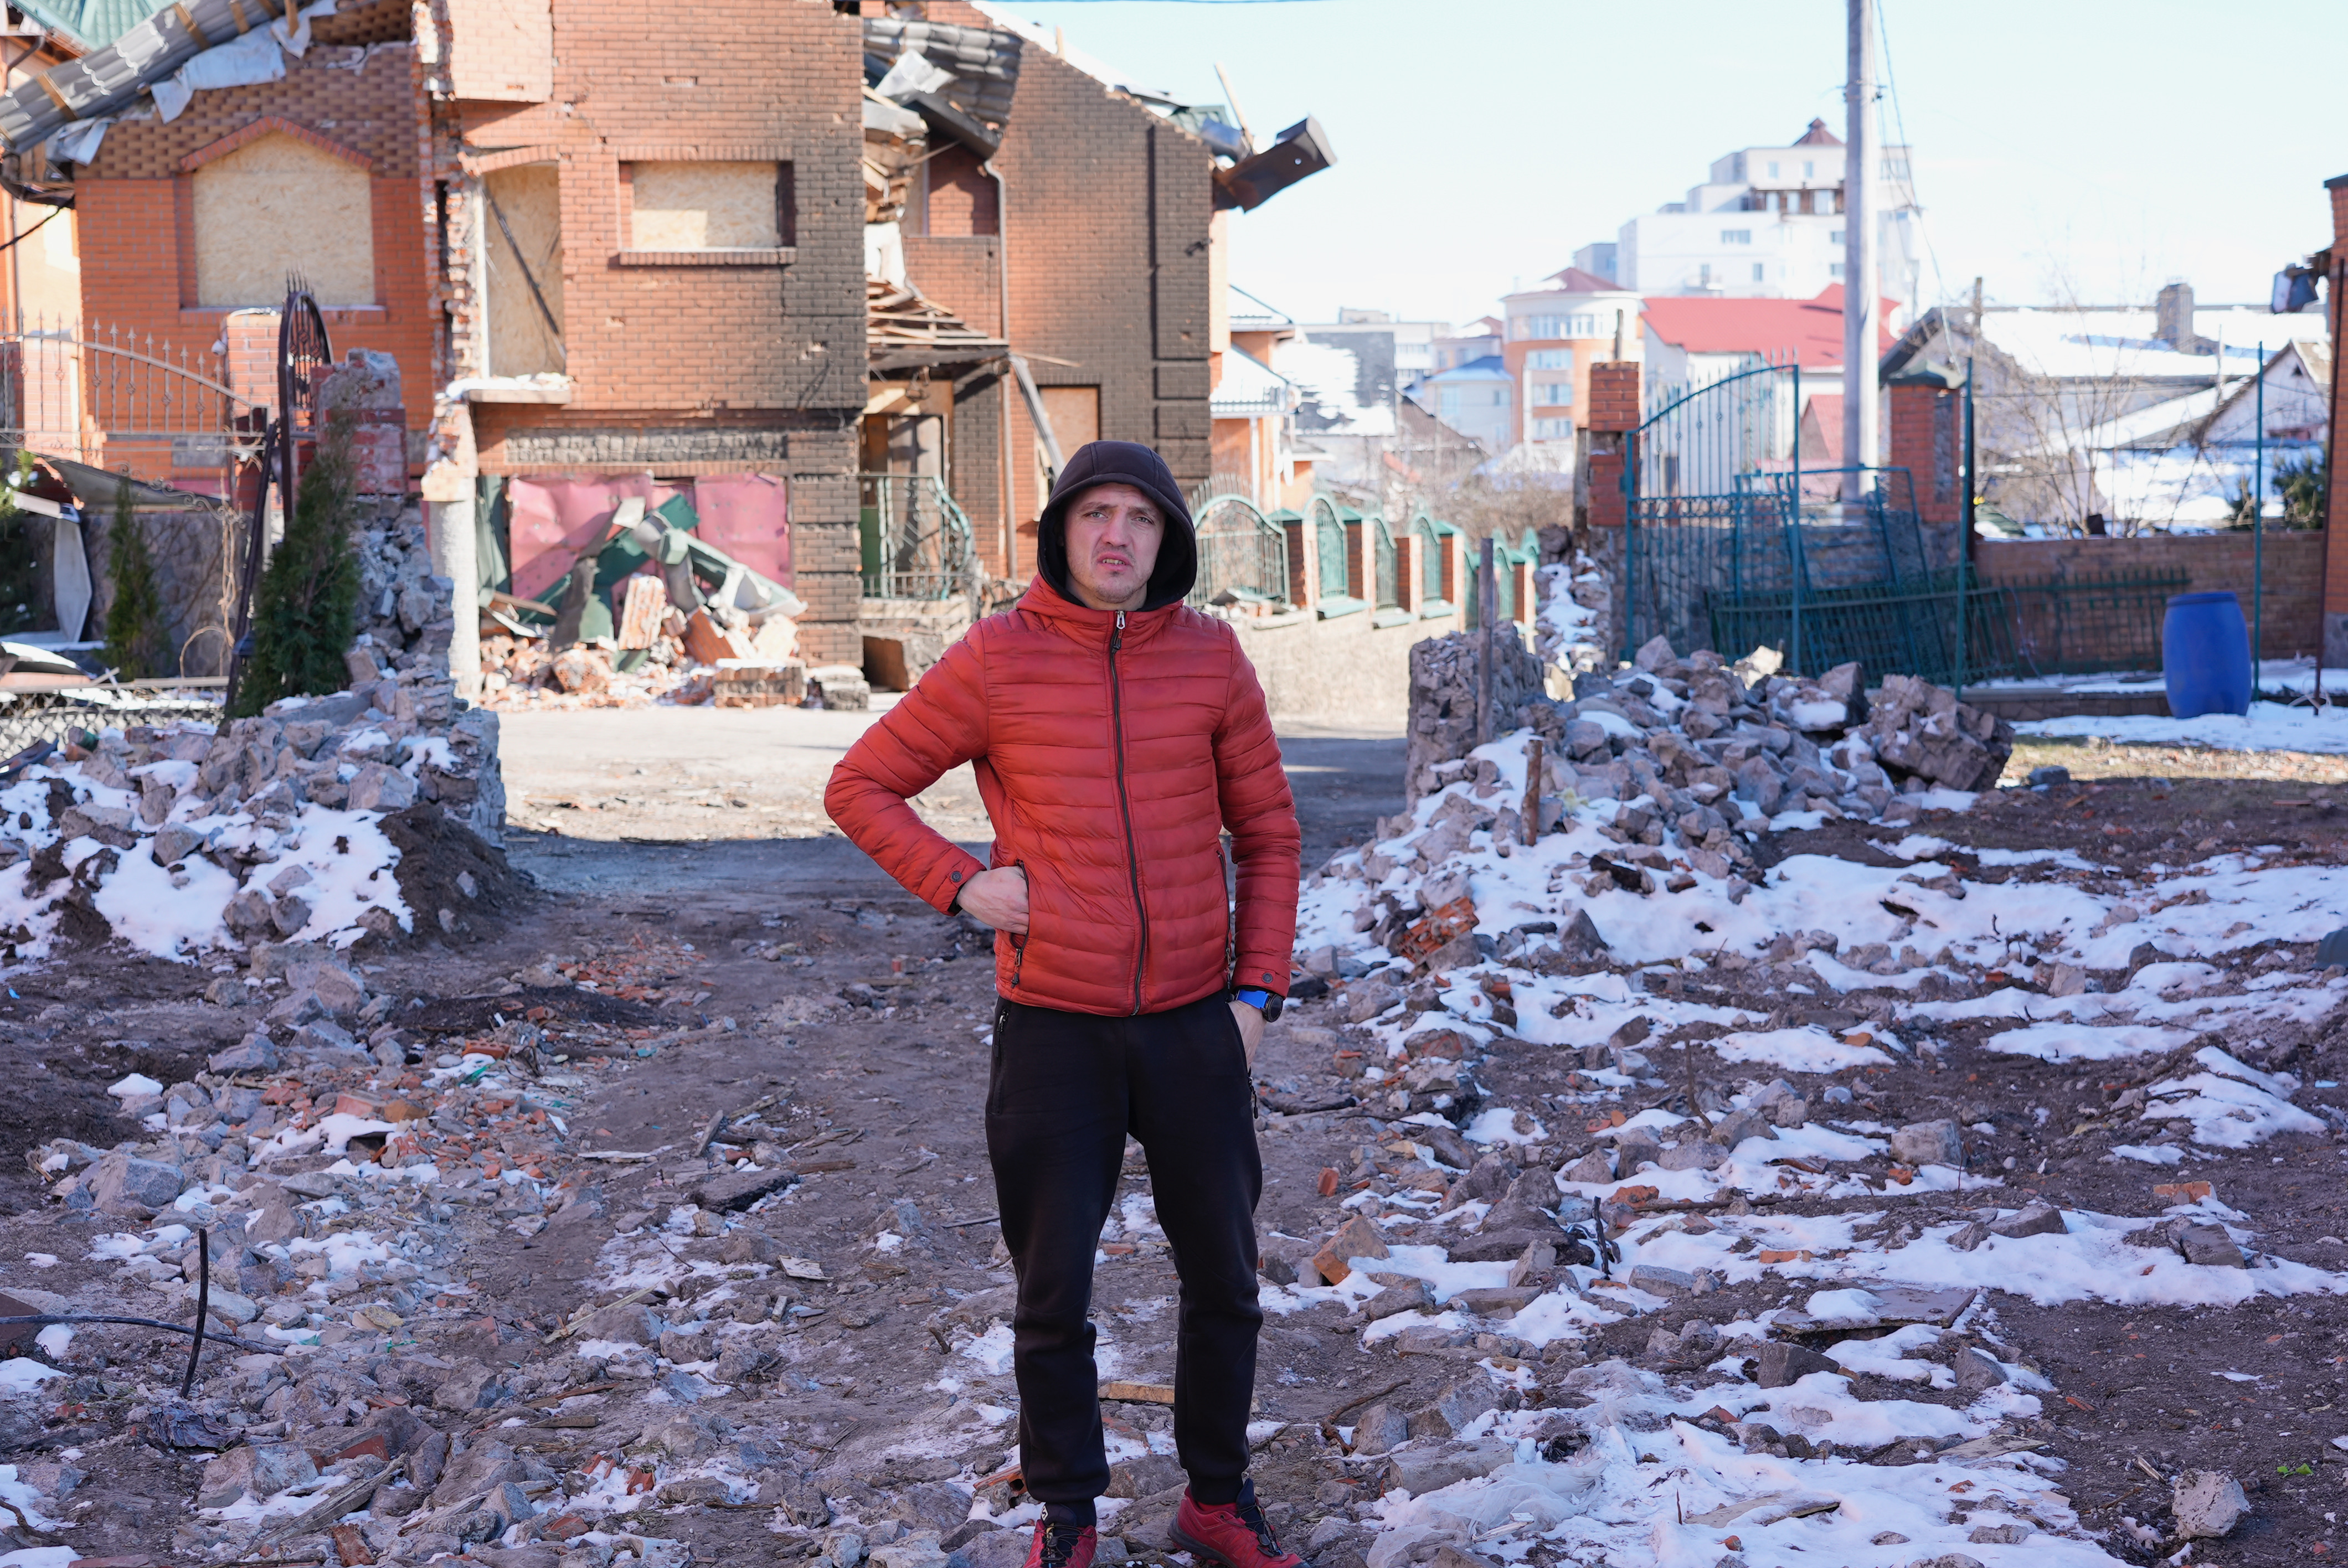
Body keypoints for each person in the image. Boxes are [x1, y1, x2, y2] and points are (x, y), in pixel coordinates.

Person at [826, 440, 1305, 1568]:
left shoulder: (1211, 659)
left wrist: (1255, 997)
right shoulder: (996, 661)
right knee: (1053, 1293)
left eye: (1140, 518)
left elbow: (1271, 837)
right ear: (1061, 530)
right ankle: (1069, 1517)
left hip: (1195, 1023)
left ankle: (1214, 1499)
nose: (1116, 537)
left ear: (1168, 540)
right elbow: (859, 785)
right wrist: (961, 883)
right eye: (1095, 513)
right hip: (1053, 1029)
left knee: (1226, 1281)